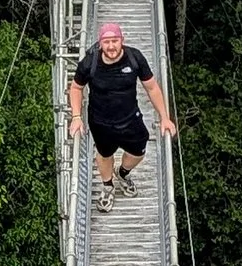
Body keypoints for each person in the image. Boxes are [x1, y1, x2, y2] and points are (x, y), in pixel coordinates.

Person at [68, 18, 175, 211]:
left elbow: (151, 87)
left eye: (114, 41)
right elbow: (76, 88)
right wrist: (76, 117)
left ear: (122, 40)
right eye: (106, 42)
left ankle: (123, 173)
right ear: (100, 44)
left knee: (138, 151)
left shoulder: (135, 58)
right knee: (104, 153)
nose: (111, 46)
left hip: (129, 118)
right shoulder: (89, 63)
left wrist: (164, 117)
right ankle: (107, 187)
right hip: (101, 121)